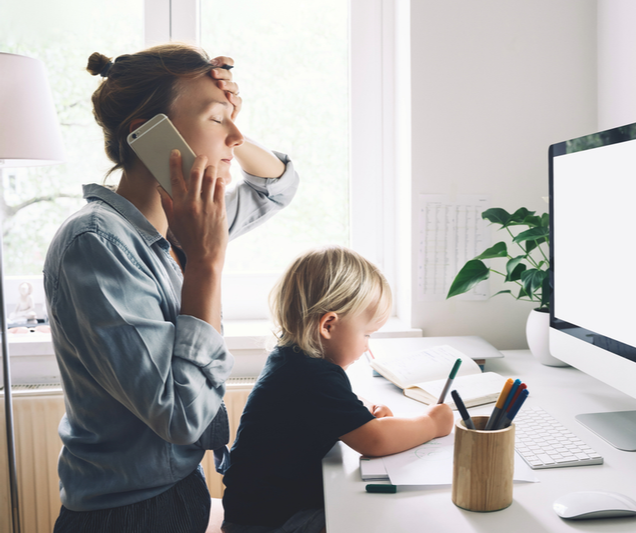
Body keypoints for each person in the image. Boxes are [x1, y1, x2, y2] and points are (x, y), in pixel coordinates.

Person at [43, 42, 299, 533]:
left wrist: (231, 125)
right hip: (128, 514)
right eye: (215, 120)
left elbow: (278, 187)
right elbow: (181, 416)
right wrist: (205, 263)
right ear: (149, 136)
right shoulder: (95, 245)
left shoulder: (187, 219)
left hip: (179, 491)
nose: (236, 138)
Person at [220, 246, 453, 533]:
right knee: (391, 519)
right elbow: (375, 442)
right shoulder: (312, 376)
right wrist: (432, 423)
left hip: (259, 512)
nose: (368, 345)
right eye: (366, 334)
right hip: (272, 522)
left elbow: (327, 409)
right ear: (328, 325)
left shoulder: (293, 359)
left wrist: (362, 413)